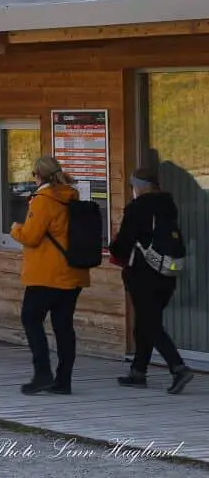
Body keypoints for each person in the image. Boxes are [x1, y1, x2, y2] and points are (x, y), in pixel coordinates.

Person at [10, 156, 91, 395]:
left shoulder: (43, 200)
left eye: (34, 175)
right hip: (73, 271)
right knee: (63, 326)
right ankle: (63, 380)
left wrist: (15, 229)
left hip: (46, 274)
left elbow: (31, 237)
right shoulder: (70, 196)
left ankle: (43, 373)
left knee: (31, 319)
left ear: (39, 175)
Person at [109, 167, 194, 395]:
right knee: (145, 322)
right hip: (167, 272)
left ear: (138, 186)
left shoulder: (137, 208)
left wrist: (112, 248)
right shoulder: (168, 206)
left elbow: (124, 242)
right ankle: (138, 371)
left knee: (150, 323)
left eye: (132, 186)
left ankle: (178, 368)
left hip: (143, 274)